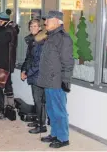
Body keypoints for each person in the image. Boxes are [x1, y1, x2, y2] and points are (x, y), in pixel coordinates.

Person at [37, 11, 74, 148]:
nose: (45, 22)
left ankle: (63, 138)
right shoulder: (50, 36)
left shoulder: (63, 38)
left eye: (48, 20)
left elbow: (68, 62)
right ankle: (55, 134)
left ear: (58, 21)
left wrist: (66, 80)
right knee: (51, 110)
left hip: (57, 81)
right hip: (48, 80)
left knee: (59, 111)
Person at [0, 9, 18, 120]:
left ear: (1, 21)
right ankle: (8, 109)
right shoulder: (11, 30)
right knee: (7, 87)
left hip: (2, 64)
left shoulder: (4, 31)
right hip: (6, 64)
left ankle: (2, 111)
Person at [21, 19, 48, 134]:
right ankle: (38, 121)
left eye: (35, 26)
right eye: (31, 26)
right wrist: (23, 70)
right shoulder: (33, 40)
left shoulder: (41, 41)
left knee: (39, 101)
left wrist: (28, 72)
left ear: (40, 28)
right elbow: (29, 58)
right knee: (37, 100)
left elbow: (39, 62)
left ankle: (42, 125)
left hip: (40, 75)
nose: (33, 28)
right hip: (34, 74)